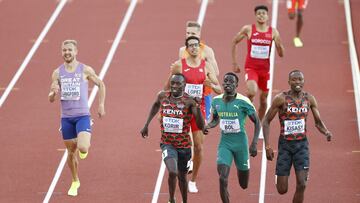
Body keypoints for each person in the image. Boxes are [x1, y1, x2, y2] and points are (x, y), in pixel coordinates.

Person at [262, 70, 332, 203]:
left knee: (302, 184)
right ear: (289, 82)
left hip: (302, 145)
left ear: (304, 81)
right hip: (285, 145)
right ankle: (279, 177)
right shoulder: (281, 99)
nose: (297, 82)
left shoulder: (309, 99)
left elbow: (318, 122)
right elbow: (266, 121)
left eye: (300, 79)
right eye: (294, 80)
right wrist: (267, 146)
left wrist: (326, 131)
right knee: (282, 190)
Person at [48, 39, 106, 197]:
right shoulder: (57, 73)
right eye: (64, 50)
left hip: (82, 116)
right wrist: (53, 93)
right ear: (62, 52)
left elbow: (101, 84)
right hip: (66, 118)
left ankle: (84, 145)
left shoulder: (84, 70)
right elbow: (51, 98)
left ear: (76, 52)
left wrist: (101, 105)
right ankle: (75, 181)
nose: (67, 52)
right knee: (70, 152)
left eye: (70, 50)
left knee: (83, 148)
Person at [165, 36, 222, 193]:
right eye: (191, 46)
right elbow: (167, 87)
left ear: (199, 47)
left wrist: (211, 85)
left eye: (196, 45)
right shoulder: (179, 66)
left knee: (198, 146)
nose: (194, 48)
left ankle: (193, 180)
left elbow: (219, 89)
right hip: (181, 109)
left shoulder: (207, 67)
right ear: (186, 49)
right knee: (179, 143)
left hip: (199, 109)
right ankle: (178, 168)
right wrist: (164, 106)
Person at [141, 73, 206, 203]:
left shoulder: (189, 101)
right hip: (167, 143)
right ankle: (171, 199)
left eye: (178, 83)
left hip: (184, 146)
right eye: (173, 83)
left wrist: (197, 107)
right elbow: (155, 105)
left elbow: (200, 125)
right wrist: (146, 124)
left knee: (182, 177)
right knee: (172, 172)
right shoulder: (163, 96)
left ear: (184, 85)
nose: (175, 86)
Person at [205, 72, 261, 203]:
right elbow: (215, 120)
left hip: (241, 143)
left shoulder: (243, 101)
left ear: (236, 85)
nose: (227, 83)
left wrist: (254, 143)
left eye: (231, 81)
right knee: (222, 178)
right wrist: (207, 126)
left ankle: (242, 166)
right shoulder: (216, 101)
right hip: (225, 143)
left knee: (244, 184)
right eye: (225, 81)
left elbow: (257, 122)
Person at [231, 5, 285, 120]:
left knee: (264, 100)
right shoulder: (249, 29)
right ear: (255, 16)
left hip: (265, 71)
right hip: (251, 68)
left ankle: (259, 124)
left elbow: (281, 54)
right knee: (251, 91)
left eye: (263, 13)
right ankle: (245, 111)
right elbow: (234, 42)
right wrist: (234, 63)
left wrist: (279, 46)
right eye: (259, 13)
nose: (261, 15)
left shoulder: (273, 32)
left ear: (267, 16)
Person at [179, 20, 220, 122]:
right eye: (187, 33)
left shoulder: (207, 51)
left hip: (204, 94)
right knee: (185, 125)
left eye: (193, 33)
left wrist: (202, 72)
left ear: (199, 34)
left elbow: (216, 73)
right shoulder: (182, 50)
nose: (189, 35)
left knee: (202, 126)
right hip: (186, 94)